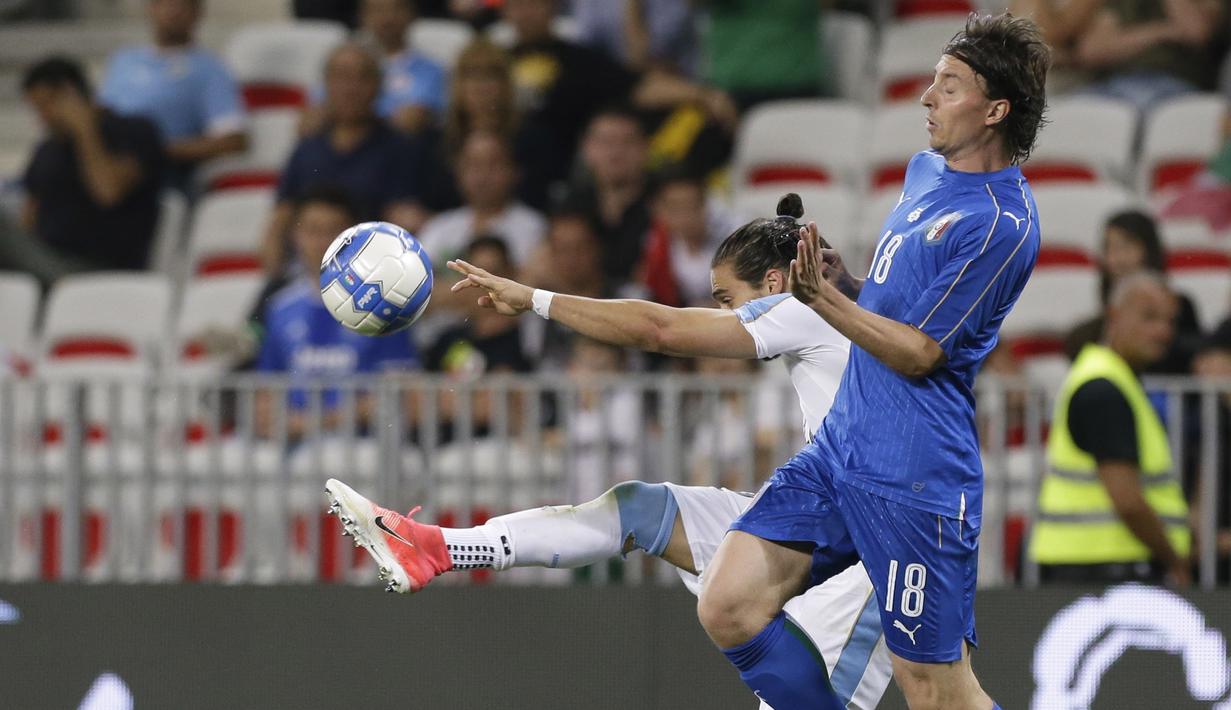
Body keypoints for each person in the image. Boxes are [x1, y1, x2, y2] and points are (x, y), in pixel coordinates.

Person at [325, 193, 894, 710]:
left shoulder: (801, 308)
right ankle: (435, 548)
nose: (722, 316)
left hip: (873, 550)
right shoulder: (844, 311)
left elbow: (659, 329)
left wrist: (535, 298)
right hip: (824, 517)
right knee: (641, 509)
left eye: (726, 300)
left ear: (774, 283)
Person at [690, 14, 1047, 709]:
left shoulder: (1000, 224)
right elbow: (896, 310)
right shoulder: (924, 175)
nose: (926, 97)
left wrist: (823, 300)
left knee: (935, 691)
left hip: (913, 479)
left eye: (949, 86)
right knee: (728, 603)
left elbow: (919, 353)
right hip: (842, 451)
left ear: (994, 110)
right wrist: (848, 282)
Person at [1030, 272, 1193, 584]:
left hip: (1094, 568)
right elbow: (1127, 499)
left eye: (1170, 321)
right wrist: (1174, 559)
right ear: (1113, 316)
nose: (1163, 331)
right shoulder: (1104, 388)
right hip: (1101, 571)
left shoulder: (1111, 379)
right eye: (1149, 317)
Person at [502, 0, 737, 189]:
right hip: (504, 164)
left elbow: (639, 87)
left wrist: (705, 95)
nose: (526, 12)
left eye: (534, 3)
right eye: (518, 4)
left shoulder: (580, 60)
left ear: (553, 7)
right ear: (506, 11)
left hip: (563, 176)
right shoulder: (494, 62)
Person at [254, 186, 420, 440]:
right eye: (313, 231)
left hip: (366, 449)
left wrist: (311, 423)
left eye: (334, 232)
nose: (323, 242)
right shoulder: (280, 308)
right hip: (294, 450)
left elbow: (399, 397)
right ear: (296, 236)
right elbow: (266, 393)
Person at [261, 42, 430, 273]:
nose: (351, 88)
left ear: (379, 86)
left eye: (362, 78)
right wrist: (275, 279)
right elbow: (280, 221)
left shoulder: (401, 149)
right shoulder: (307, 148)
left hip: (372, 274)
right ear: (326, 85)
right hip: (305, 272)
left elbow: (406, 221)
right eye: (341, 77)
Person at [2, 56, 164, 284]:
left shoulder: (134, 131)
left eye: (45, 107)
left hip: (100, 267)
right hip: (45, 260)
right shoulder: (47, 149)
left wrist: (84, 130)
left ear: (71, 95)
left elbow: (108, 192)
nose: (42, 119)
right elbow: (29, 219)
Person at [98, 0, 247, 186]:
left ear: (198, 12)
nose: (173, 10)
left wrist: (155, 151)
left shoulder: (209, 69)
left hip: (158, 175)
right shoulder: (124, 60)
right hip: (106, 161)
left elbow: (232, 140)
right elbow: (102, 114)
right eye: (164, 2)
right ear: (150, 8)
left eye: (182, 4)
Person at [1063, 210, 1203, 374]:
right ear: (1113, 316)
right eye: (1109, 248)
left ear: (1149, 250)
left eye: (1126, 246)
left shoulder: (1181, 306)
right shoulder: (1084, 339)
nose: (1116, 259)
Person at [416, 130, 546, 267]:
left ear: (514, 171)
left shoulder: (534, 230)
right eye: (473, 165)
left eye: (493, 164)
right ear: (458, 172)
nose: (483, 176)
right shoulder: (439, 227)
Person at [557, 106, 653, 285]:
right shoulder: (569, 207)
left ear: (645, 147)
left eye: (628, 141)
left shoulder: (666, 205)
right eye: (606, 142)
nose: (616, 152)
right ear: (586, 148)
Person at [640, 168, 740, 307]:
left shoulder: (736, 237)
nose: (685, 217)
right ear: (658, 209)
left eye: (693, 206)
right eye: (675, 209)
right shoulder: (656, 242)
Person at [357, 0, 447, 134]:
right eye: (378, 10)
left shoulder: (432, 71)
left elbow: (413, 119)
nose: (388, 18)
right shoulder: (349, 67)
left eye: (396, 9)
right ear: (363, 16)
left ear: (411, 14)